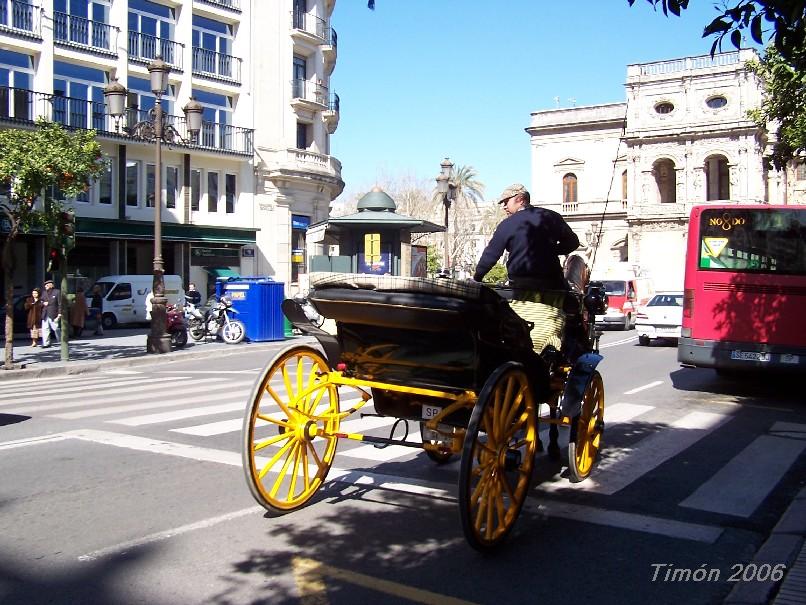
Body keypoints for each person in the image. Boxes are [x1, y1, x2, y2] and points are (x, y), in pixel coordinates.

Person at [474, 183, 580, 354]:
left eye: (506, 202)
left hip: (520, 286)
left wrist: (477, 277)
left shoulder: (507, 225)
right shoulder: (551, 217)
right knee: (575, 306)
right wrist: (552, 250)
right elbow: (573, 243)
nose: (504, 207)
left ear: (520, 199)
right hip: (553, 284)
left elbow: (490, 255)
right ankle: (570, 350)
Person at [41, 279, 61, 347]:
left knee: (55, 328)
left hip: (53, 313)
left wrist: (59, 313)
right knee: (45, 329)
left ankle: (60, 341)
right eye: (45, 285)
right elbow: (41, 301)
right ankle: (46, 343)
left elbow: (59, 304)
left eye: (46, 285)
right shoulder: (44, 293)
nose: (45, 286)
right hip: (45, 313)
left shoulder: (57, 292)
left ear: (51, 285)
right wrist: (43, 303)